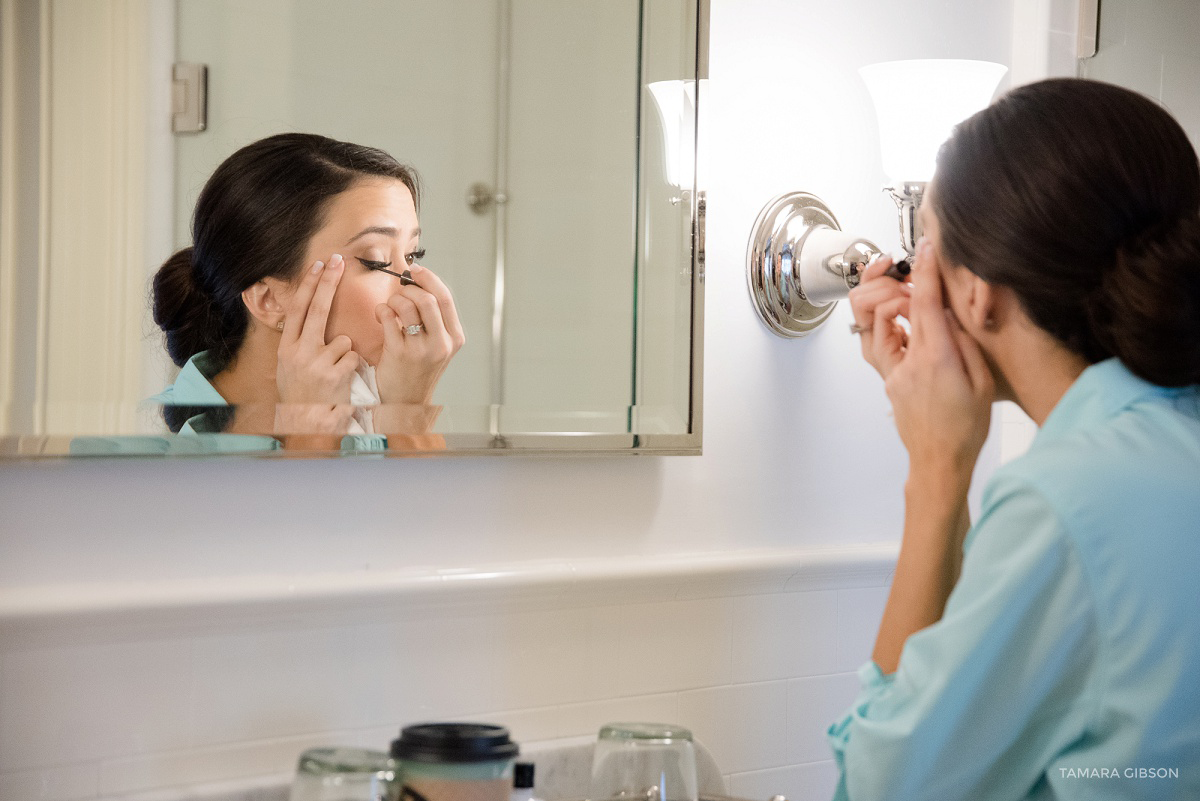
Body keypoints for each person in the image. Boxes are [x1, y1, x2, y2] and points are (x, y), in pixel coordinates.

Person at [829, 78, 1200, 799]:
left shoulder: (1067, 501)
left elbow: (884, 788)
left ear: (974, 292)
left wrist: (939, 471)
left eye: (924, 248)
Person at [150, 133, 464, 451]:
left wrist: (408, 410)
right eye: (376, 261)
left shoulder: (370, 398)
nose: (413, 287)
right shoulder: (194, 467)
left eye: (412, 256)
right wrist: (311, 437)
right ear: (269, 299)